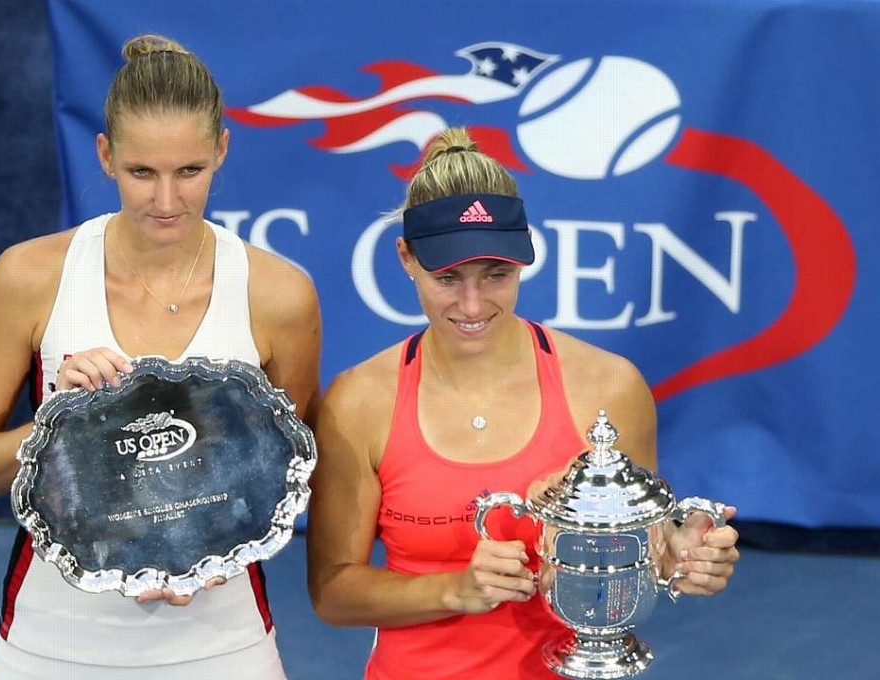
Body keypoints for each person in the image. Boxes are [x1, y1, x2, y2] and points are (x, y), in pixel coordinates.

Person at [0, 34, 320, 679]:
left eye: (190, 171)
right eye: (143, 173)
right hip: (53, 645)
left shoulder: (279, 294)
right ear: (105, 156)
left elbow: (289, 474)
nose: (166, 202)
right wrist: (62, 428)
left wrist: (210, 547)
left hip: (224, 645)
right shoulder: (30, 276)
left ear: (222, 149)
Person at [306, 127, 739, 679]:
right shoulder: (360, 400)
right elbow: (333, 592)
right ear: (405, 258)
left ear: (523, 259)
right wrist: (454, 590)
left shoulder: (609, 387)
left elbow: (644, 558)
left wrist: (684, 559)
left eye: (497, 275)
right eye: (447, 277)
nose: (472, 303)